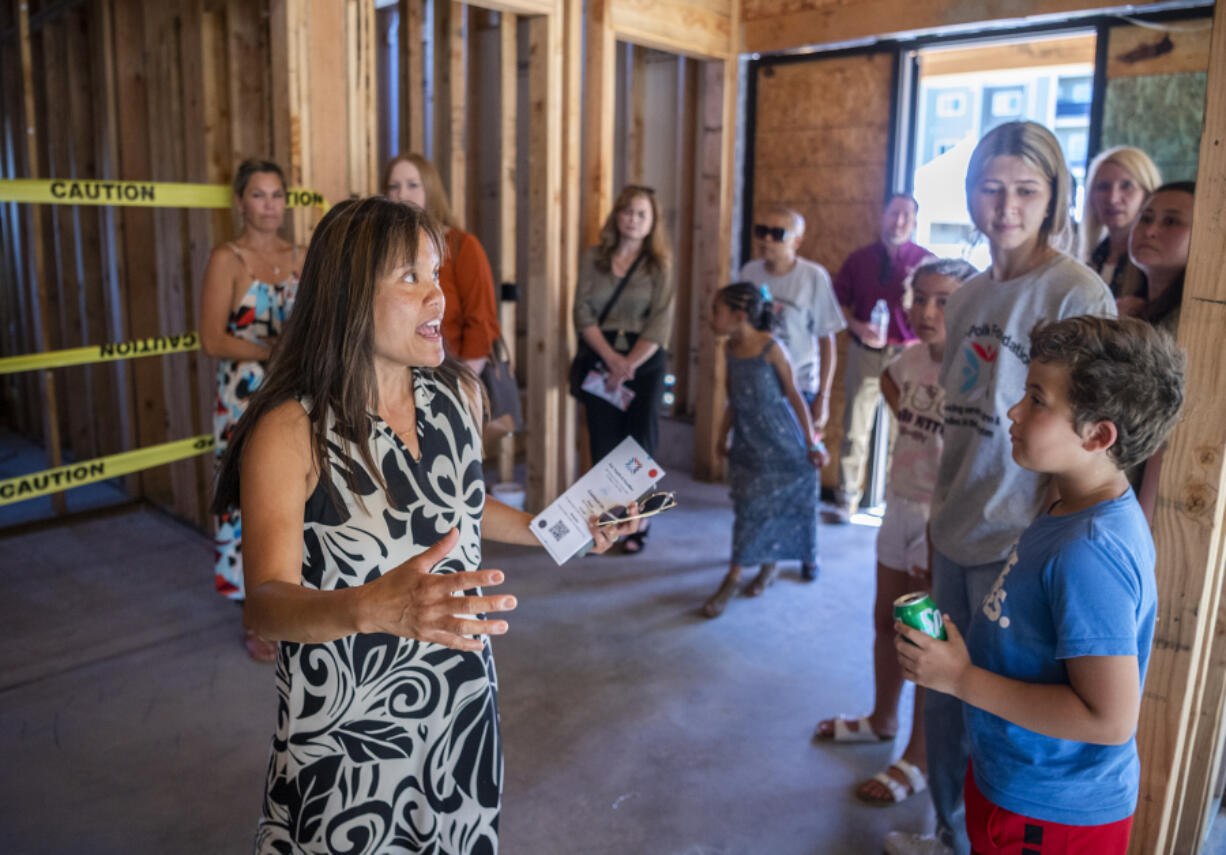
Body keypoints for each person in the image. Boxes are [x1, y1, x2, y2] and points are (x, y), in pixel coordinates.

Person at [211, 197, 633, 854]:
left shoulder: (452, 397)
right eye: (412, 277)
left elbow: (461, 511)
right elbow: (264, 606)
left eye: (437, 275)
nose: (439, 296)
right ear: (349, 294)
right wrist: (371, 607)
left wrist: (568, 523)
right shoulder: (289, 432)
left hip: (460, 708)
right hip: (348, 738)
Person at [884, 121, 1117, 855]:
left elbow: (1085, 436)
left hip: (1020, 538)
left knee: (998, 712)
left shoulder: (1075, 291)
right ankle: (948, 837)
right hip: (953, 521)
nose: (1005, 205)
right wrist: (932, 516)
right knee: (942, 695)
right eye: (991, 187)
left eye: (1026, 189)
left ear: (1054, 198)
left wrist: (1044, 540)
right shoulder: (966, 295)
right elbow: (962, 422)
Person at [896, 315, 1185, 855]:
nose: (1013, 411)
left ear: (1098, 435)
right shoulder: (1070, 502)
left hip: (1053, 815)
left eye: (1037, 399)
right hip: (1016, 781)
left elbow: (1110, 719)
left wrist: (960, 680)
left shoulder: (1090, 550)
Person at [813, 258, 976, 808]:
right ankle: (883, 719)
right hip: (899, 508)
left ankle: (921, 757)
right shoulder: (906, 361)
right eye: (921, 297)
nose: (928, 312)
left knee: (926, 637)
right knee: (887, 619)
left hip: (941, 518)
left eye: (945, 302)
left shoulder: (976, 370)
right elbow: (891, 385)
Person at [200, 158, 302, 663]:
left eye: (277, 195)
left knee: (294, 497)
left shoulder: (302, 255)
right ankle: (255, 615)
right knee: (246, 500)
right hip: (242, 397)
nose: (269, 206)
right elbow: (211, 338)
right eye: (258, 195)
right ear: (240, 201)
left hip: (296, 394)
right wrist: (269, 353)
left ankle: (296, 602)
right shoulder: (228, 258)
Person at [700, 283, 826, 618]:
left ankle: (738, 575)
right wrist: (722, 436)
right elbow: (734, 399)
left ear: (738, 316)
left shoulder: (771, 348)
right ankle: (760, 568)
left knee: (774, 504)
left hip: (780, 439)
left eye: (716, 310)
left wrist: (811, 442)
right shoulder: (728, 349)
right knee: (749, 507)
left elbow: (794, 397)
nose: (710, 316)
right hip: (747, 441)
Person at [573, 184, 675, 554]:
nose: (633, 219)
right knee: (603, 441)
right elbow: (581, 310)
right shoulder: (593, 258)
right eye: (628, 211)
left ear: (652, 223)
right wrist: (612, 360)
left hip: (644, 365)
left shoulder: (659, 265)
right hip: (602, 359)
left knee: (640, 446)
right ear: (617, 215)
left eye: (642, 214)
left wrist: (629, 363)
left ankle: (640, 520)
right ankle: (608, 520)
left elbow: (660, 323)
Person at [830, 194, 934, 522]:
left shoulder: (925, 263)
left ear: (915, 222)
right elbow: (837, 303)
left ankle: (894, 501)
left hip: (908, 358)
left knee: (904, 433)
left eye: (906, 216)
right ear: (883, 215)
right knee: (855, 430)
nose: (899, 221)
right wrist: (857, 327)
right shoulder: (859, 260)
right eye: (894, 214)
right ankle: (846, 498)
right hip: (865, 354)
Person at [740, 207, 845, 469]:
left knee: (797, 462)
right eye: (762, 232)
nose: (766, 240)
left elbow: (826, 340)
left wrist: (823, 396)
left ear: (796, 242)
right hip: (758, 384)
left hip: (799, 387)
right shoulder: (749, 273)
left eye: (777, 234)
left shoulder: (813, 276)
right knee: (758, 463)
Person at [385, 153, 500, 376]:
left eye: (413, 185)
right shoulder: (384, 251)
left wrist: (461, 388)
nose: (402, 194)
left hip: (452, 374)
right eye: (393, 186)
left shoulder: (462, 246)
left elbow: (481, 323)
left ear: (430, 189)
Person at [1127, 181, 1194, 521]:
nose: (1150, 230)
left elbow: (1163, 446)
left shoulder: (1187, 329)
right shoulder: (1138, 314)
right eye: (1146, 217)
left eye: (1171, 222)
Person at [1079, 146, 1161, 306]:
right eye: (1103, 187)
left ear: (1148, 193)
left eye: (1127, 186)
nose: (1113, 198)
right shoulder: (1090, 258)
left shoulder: (1155, 266)